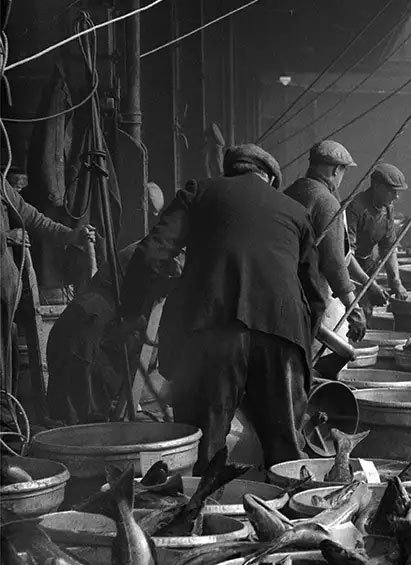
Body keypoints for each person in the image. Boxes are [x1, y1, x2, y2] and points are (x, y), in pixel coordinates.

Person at [118, 144, 326, 472]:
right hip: (282, 334)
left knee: (204, 446)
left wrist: (131, 311)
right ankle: (292, 515)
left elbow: (150, 256)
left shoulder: (199, 192)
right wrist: (300, 350)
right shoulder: (295, 211)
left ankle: (206, 514)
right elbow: (316, 297)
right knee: (284, 452)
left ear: (229, 171)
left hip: (212, 330)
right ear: (270, 178)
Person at [46, 239, 181, 425]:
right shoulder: (170, 251)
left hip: (92, 326)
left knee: (82, 420)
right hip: (87, 329)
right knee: (76, 426)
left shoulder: (166, 245)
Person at [1, 176, 96, 395]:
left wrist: (70, 235)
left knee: (8, 352)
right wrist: (5, 237)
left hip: (6, 290)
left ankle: (8, 415)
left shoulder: (0, 184)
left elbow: (33, 218)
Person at [283, 140, 365, 343]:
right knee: (324, 354)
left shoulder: (291, 191)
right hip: (315, 295)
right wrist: (352, 306)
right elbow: (334, 262)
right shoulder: (326, 203)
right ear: (337, 170)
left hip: (284, 288)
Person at [345, 163, 410, 312]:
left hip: (366, 265)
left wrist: (396, 282)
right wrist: (370, 285)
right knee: (352, 313)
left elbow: (389, 248)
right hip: (346, 270)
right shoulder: (354, 208)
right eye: (392, 191)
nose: (396, 196)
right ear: (377, 186)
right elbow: (346, 254)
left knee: (367, 311)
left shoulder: (387, 209)